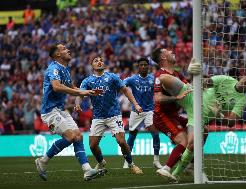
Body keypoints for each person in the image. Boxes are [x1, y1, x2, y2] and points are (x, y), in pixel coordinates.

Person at [157, 60, 246, 179]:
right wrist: (201, 80)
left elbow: (231, 122)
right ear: (242, 76)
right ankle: (170, 105)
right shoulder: (226, 79)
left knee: (192, 143)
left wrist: (219, 114)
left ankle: (174, 173)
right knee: (163, 78)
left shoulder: (241, 101)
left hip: (199, 117)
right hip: (191, 96)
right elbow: (206, 82)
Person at [35, 44, 105, 181]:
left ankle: (87, 170)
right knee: (71, 136)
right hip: (50, 111)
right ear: (57, 55)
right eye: (64, 49)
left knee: (78, 136)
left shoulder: (65, 69)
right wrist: (82, 91)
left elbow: (71, 87)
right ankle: (43, 161)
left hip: (60, 109)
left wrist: (87, 92)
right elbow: (56, 87)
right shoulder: (53, 68)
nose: (68, 50)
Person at [75, 57, 143, 175]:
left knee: (121, 141)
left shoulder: (112, 77)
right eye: (96, 61)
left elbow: (125, 90)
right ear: (92, 65)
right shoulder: (88, 81)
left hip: (114, 115)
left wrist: (136, 104)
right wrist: (77, 104)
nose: (100, 61)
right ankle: (101, 162)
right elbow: (80, 94)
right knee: (92, 145)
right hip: (98, 117)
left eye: (101, 60)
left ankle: (131, 164)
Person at [151, 48, 191, 182]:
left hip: (174, 115)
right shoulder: (160, 75)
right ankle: (166, 168)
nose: (171, 50)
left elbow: (189, 89)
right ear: (163, 57)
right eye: (167, 50)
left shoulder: (178, 75)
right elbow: (158, 98)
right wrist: (176, 98)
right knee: (183, 140)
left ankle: (189, 163)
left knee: (202, 130)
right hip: (162, 115)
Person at [122, 57, 162, 169]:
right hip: (137, 111)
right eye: (141, 65)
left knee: (155, 133)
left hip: (150, 111)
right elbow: (122, 85)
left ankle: (156, 160)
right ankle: (128, 161)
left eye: (145, 65)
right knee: (132, 136)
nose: (144, 66)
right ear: (138, 67)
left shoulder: (153, 78)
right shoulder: (132, 79)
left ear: (148, 66)